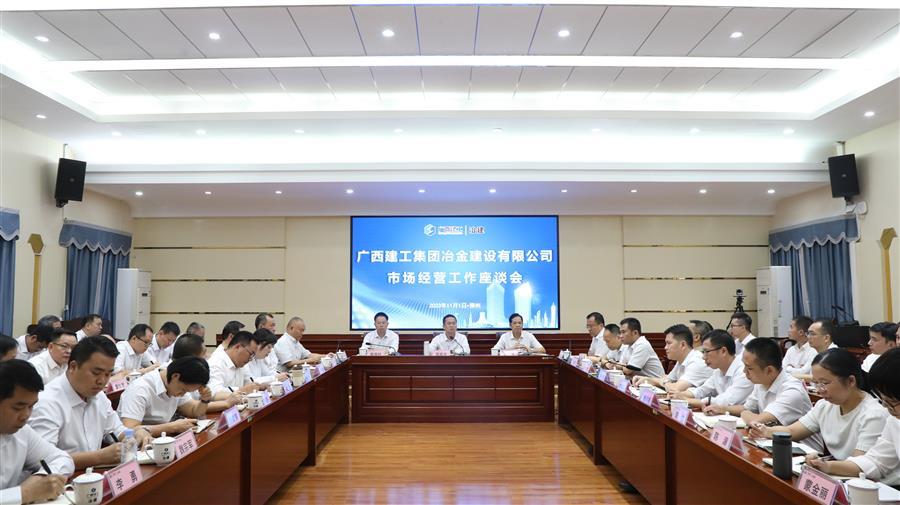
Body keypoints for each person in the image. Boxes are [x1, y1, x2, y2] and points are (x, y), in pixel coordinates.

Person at [29, 337, 153, 470]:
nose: (102, 381)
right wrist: (99, 457)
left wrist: (135, 433)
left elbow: (116, 430)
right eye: (96, 373)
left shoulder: (98, 396)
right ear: (73, 367)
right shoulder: (47, 402)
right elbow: (43, 461)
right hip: (62, 479)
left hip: (93, 475)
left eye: (108, 374)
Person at [749, 348, 888, 458]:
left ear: (851, 381)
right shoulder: (824, 406)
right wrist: (764, 430)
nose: (819, 390)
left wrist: (825, 465)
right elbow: (793, 431)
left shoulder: (873, 414)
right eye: (816, 383)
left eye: (824, 383)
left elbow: (860, 463)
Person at [807, 347, 900, 485]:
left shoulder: (875, 413)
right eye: (884, 400)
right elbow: (876, 461)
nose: (886, 407)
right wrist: (827, 466)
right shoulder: (895, 420)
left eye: (891, 402)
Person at [0, 360, 74, 504]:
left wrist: (40, 479)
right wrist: (25, 493)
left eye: (31, 407)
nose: (26, 415)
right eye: (18, 408)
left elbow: (63, 459)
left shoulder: (22, 432)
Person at [709, 338, 812, 426]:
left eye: (749, 368)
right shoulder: (761, 382)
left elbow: (757, 420)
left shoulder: (792, 390)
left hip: (797, 443)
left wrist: (745, 413)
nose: (744, 371)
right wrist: (722, 409)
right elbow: (746, 408)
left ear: (769, 370)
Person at [118, 357, 213, 436]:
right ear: (175, 376)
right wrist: (172, 427)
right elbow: (129, 431)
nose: (182, 394)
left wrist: (204, 400)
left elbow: (193, 411)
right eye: (183, 390)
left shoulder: (175, 384)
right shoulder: (140, 389)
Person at [673, 330, 754, 409]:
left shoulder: (744, 371)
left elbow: (726, 401)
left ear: (723, 351)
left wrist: (686, 400)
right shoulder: (718, 371)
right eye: (703, 352)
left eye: (707, 352)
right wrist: (679, 395)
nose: (703, 357)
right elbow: (702, 390)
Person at [170, 334, 242, 411]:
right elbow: (191, 407)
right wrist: (226, 403)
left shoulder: (192, 372)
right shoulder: (174, 374)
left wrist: (205, 398)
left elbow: (198, 403)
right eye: (204, 354)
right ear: (191, 358)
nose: (207, 358)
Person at [635, 324, 711, 393]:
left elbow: (675, 388)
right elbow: (667, 379)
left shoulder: (697, 361)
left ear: (683, 345)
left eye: (669, 343)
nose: (665, 347)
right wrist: (647, 379)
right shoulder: (682, 359)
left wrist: (663, 382)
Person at [207, 331, 262, 395]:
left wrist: (257, 386)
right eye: (250, 354)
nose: (251, 359)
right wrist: (242, 390)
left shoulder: (241, 364)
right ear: (238, 347)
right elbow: (213, 392)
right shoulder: (216, 363)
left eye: (253, 356)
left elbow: (248, 382)